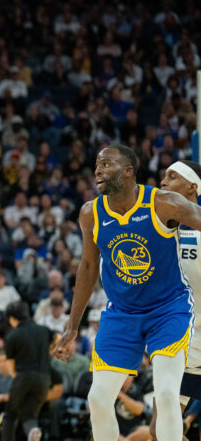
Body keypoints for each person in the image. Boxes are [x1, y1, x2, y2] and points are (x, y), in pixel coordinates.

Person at [53, 146, 201, 441]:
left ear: (128, 171)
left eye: (106, 164)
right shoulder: (90, 213)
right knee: (97, 399)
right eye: (97, 164)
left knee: (168, 395)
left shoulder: (164, 203)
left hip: (168, 310)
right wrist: (72, 326)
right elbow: (87, 267)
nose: (98, 170)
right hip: (121, 313)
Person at [151, 159, 201, 435]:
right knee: (158, 429)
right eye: (163, 176)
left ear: (192, 187)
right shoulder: (159, 230)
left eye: (172, 176)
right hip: (179, 338)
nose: (163, 182)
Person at [2, 301, 54, 441]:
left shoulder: (12, 336)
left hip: (23, 377)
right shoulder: (43, 330)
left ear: (12, 319)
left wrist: (19, 387)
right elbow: (58, 338)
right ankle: (33, 431)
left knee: (10, 415)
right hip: (44, 379)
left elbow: (12, 368)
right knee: (29, 415)